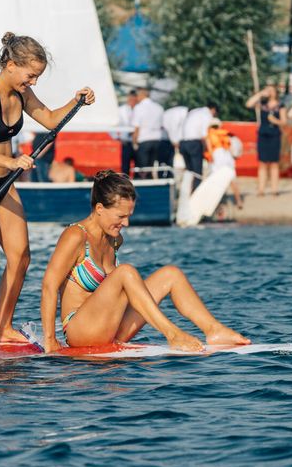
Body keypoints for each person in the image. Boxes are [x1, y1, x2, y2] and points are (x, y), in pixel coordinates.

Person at [0, 32, 96, 351]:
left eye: (37, 76)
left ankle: (3, 329)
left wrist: (77, 102)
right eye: (30, 74)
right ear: (10, 65)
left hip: (4, 184)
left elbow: (49, 119)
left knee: (20, 256)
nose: (32, 82)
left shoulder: (20, 95)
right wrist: (11, 160)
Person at [38, 171, 249, 353]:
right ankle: (172, 334)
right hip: (80, 331)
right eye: (120, 216)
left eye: (128, 216)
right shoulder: (75, 235)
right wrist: (49, 341)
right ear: (100, 208)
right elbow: (49, 285)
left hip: (112, 327)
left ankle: (214, 330)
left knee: (170, 274)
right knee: (125, 272)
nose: (126, 223)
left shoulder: (114, 239)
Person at [246, 85, 286, 196]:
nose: (269, 92)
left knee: (274, 163)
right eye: (267, 90)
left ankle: (274, 189)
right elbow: (248, 104)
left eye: (271, 90)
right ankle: (261, 189)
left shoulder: (280, 105)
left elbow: (284, 122)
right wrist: (259, 94)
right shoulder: (262, 104)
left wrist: (275, 121)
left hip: (274, 135)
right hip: (263, 135)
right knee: (262, 163)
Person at [206, 118, 243, 208]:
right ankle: (239, 201)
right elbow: (232, 149)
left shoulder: (209, 135)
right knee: (232, 180)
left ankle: (218, 204)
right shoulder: (226, 134)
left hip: (217, 157)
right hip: (227, 157)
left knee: (216, 181)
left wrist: (210, 159)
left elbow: (209, 149)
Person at [131, 88, 166, 179]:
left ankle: (144, 186)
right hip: (157, 140)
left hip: (144, 140)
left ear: (142, 95)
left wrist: (134, 143)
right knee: (151, 166)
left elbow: (137, 128)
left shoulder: (139, 108)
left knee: (143, 168)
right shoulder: (159, 107)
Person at [178, 101, 215, 178]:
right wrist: (208, 150)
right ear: (213, 110)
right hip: (194, 143)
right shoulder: (207, 114)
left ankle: (186, 189)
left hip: (183, 143)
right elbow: (204, 134)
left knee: (189, 171)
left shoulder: (194, 111)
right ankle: (196, 189)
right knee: (197, 172)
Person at [116, 89, 139, 176]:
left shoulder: (140, 109)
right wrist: (118, 137)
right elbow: (114, 124)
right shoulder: (121, 110)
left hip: (138, 142)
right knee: (125, 167)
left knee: (138, 166)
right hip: (126, 142)